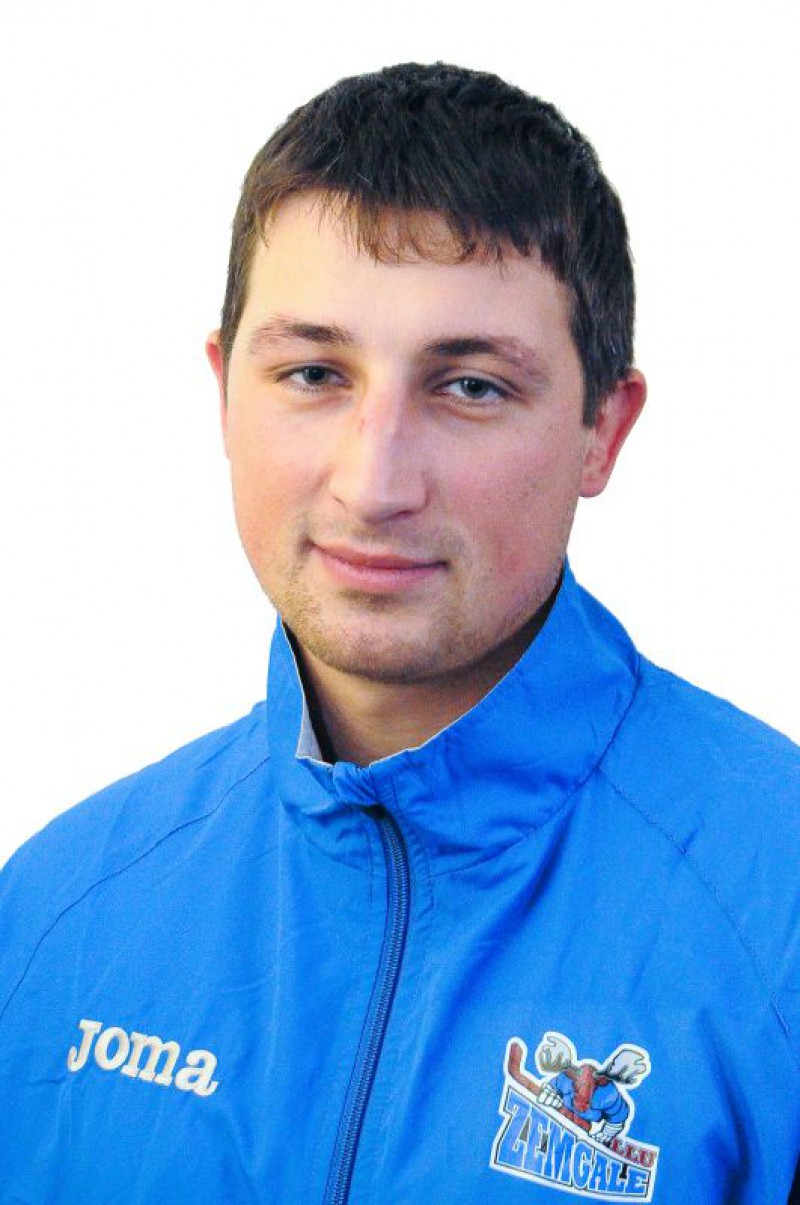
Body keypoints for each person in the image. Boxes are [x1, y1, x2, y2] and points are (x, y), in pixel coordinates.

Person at [0, 61, 797, 1205]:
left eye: (469, 386)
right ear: (224, 394)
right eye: (313, 372)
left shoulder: (775, 911)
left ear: (600, 430)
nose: (373, 483)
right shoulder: (56, 911)